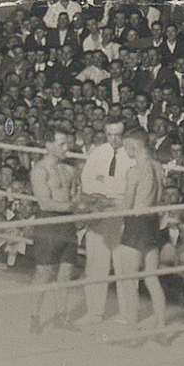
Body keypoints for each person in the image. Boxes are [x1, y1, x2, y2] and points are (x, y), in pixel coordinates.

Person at [75, 113, 131, 333]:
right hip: (99, 213)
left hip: (121, 216)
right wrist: (109, 191)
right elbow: (87, 184)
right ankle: (94, 312)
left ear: (125, 133)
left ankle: (127, 314)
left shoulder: (131, 155)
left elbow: (127, 189)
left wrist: (104, 185)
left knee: (123, 266)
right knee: (96, 265)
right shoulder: (98, 153)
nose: (114, 139)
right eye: (110, 134)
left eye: (118, 134)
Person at [113, 127, 169, 334]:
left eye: (126, 147)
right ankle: (162, 326)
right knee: (152, 279)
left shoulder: (134, 172)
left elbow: (127, 207)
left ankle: (132, 330)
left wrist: (108, 205)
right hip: (152, 224)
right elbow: (159, 198)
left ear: (133, 146)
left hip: (136, 225)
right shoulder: (158, 167)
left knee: (129, 281)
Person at [28, 126, 82, 333]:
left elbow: (76, 193)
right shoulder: (40, 170)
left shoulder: (69, 170)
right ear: (49, 145)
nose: (66, 148)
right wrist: (75, 207)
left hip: (67, 224)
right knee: (44, 272)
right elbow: (45, 204)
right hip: (49, 224)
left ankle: (61, 315)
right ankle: (35, 317)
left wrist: (78, 202)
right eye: (61, 144)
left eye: (68, 143)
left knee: (67, 272)